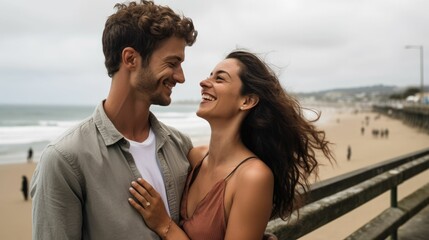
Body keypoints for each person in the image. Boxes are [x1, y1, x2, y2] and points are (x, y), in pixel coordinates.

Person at [30, 1, 197, 239]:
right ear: (130, 59)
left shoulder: (181, 146)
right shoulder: (65, 160)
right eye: (172, 63)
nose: (181, 77)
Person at [128, 50, 334, 239]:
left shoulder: (253, 177)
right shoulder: (196, 157)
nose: (204, 82)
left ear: (247, 101)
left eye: (219, 78)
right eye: (210, 75)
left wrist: (164, 225)